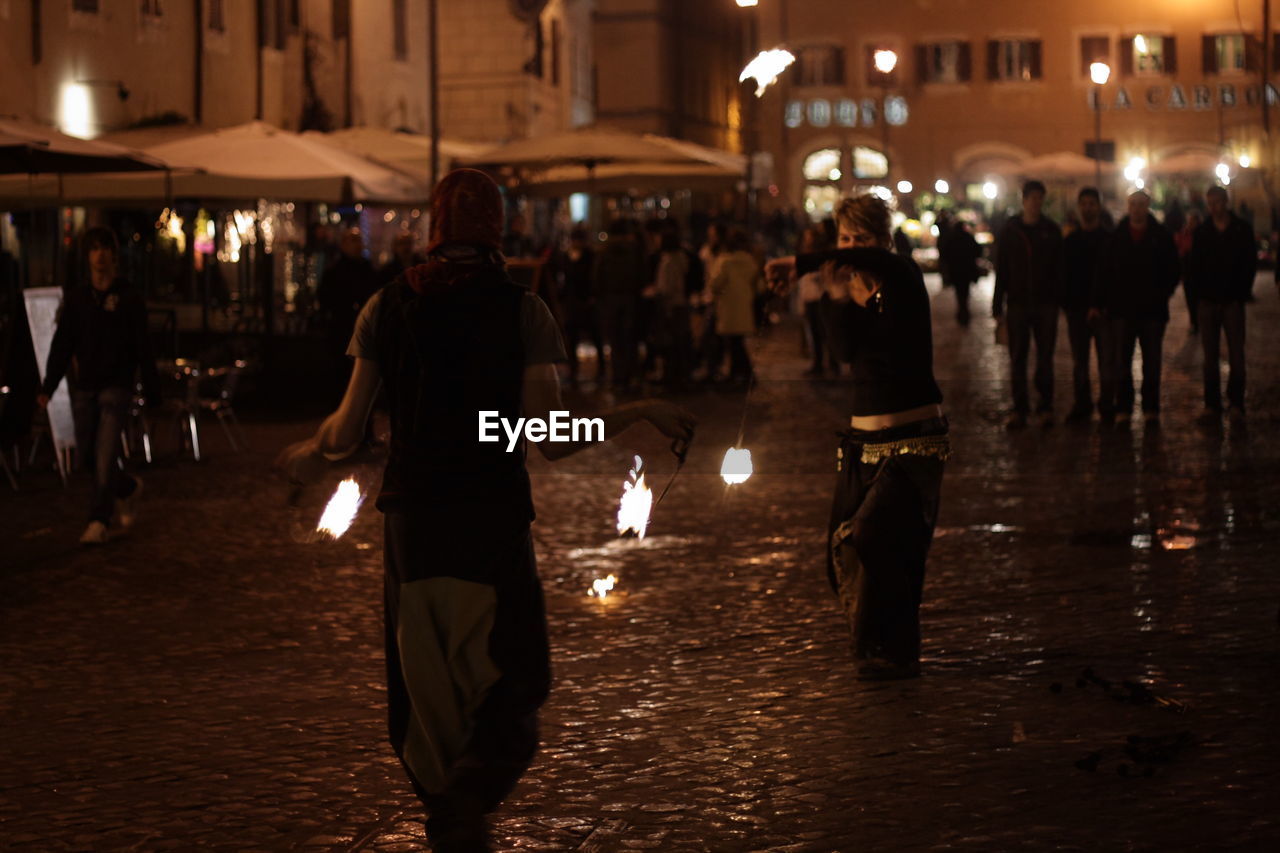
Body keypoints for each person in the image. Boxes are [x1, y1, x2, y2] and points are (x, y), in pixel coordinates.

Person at [276, 169, 695, 853]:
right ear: (498, 231)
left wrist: (313, 451)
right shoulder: (521, 311)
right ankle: (465, 804)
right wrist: (638, 412)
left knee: (426, 700)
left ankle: (451, 812)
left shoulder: (385, 306)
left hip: (412, 530)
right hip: (491, 526)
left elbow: (346, 432)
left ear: (432, 230)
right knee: (510, 681)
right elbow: (548, 437)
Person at [768, 193, 948, 681]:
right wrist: (830, 294)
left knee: (879, 536)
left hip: (915, 441)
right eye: (844, 239)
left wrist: (805, 261)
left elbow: (895, 354)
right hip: (862, 444)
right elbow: (847, 350)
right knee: (845, 550)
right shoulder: (844, 295)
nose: (850, 249)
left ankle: (898, 646)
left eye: (861, 240)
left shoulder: (904, 278)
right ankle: (878, 647)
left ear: (882, 242)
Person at [37, 226, 160, 545]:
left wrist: (151, 389)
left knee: (105, 454)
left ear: (114, 255)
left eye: (105, 247)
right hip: (85, 387)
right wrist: (48, 387)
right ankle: (127, 488)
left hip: (115, 387)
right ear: (87, 256)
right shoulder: (79, 299)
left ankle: (98, 520)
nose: (100, 254)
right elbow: (63, 345)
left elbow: (142, 346)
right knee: (87, 458)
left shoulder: (129, 297)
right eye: (94, 248)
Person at [1091, 191, 1179, 424]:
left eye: (1141, 205)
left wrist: (1161, 294)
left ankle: (1151, 408)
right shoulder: (1116, 237)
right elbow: (1104, 271)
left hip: (1152, 311)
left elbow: (1172, 270)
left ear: (1147, 206)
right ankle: (1124, 407)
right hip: (1122, 311)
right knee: (1122, 361)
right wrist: (1101, 302)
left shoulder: (1160, 236)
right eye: (1134, 205)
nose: (1137, 209)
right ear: (1128, 207)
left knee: (1152, 362)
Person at [993, 180, 1064, 429]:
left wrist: (1058, 298)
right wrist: (997, 306)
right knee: (1018, 358)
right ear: (1023, 200)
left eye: (1039, 198)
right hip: (1018, 304)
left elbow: (1059, 269)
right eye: (1032, 198)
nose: (1036, 203)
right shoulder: (1010, 231)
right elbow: (1001, 270)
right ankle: (1019, 409)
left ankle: (1045, 407)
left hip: (1045, 304)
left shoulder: (1051, 230)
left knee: (1045, 357)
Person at [1188, 185, 1257, 426]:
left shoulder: (1240, 229)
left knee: (1236, 354)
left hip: (1232, 301)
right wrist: (1199, 295)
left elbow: (1250, 261)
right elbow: (1194, 266)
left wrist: (1242, 291)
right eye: (1211, 203)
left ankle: (1236, 403)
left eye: (1218, 202)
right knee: (1210, 356)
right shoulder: (1203, 232)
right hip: (1208, 301)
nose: (1214, 207)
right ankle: (1212, 404)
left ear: (1226, 202)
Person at [1061, 187, 1111, 422]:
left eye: (1092, 203)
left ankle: (1107, 403)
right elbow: (1064, 276)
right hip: (1077, 310)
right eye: (1084, 203)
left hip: (1104, 310)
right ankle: (1082, 403)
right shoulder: (1071, 241)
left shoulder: (1109, 240)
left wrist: (1102, 304)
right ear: (1079, 207)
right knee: (1080, 361)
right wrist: (1069, 304)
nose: (1088, 208)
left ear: (1099, 207)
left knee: (1106, 360)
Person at [317, 228, 379, 394]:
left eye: (359, 240)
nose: (357, 245)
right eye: (353, 240)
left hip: (363, 331)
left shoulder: (368, 270)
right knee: (343, 375)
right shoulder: (334, 272)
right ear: (343, 245)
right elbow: (325, 300)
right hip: (342, 330)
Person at [592, 219, 646, 391]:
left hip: (611, 299)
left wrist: (600, 295)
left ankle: (618, 378)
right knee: (630, 339)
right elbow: (643, 274)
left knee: (615, 340)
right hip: (630, 299)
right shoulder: (635, 251)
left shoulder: (605, 252)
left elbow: (596, 276)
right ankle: (631, 376)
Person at [709, 228, 761, 384]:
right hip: (744, 307)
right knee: (737, 342)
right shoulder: (750, 261)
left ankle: (742, 373)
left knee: (734, 344)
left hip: (728, 309)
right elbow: (760, 287)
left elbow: (715, 284)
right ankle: (739, 373)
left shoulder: (725, 262)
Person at [557, 226, 605, 386]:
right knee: (572, 337)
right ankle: (573, 370)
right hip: (571, 302)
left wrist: (593, 295)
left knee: (595, 335)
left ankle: (602, 370)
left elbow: (595, 277)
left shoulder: (591, 256)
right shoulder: (565, 256)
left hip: (587, 301)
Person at [650, 225, 693, 388]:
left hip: (671, 305)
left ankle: (674, 376)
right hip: (679, 303)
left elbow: (667, 287)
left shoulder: (669, 261)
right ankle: (680, 375)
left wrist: (655, 292)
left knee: (671, 342)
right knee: (678, 341)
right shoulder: (680, 258)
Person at [797, 226, 839, 377]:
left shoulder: (822, 255)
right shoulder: (803, 254)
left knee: (826, 332)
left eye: (810, 237)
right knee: (813, 334)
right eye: (806, 237)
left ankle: (833, 365)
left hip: (821, 298)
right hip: (809, 298)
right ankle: (818, 364)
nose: (807, 240)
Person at [942, 217, 982, 326]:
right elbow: (978, 251)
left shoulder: (951, 238)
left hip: (955, 271)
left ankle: (962, 311)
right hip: (967, 271)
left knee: (959, 293)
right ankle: (964, 311)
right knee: (965, 291)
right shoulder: (968, 237)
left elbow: (944, 254)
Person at [1175, 210, 1203, 335]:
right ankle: (1194, 321)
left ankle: (1198, 321)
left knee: (1198, 299)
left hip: (1198, 272)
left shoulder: (1202, 234)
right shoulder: (1184, 233)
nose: (1191, 223)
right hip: (1187, 270)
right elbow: (1178, 247)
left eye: (1193, 221)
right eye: (1190, 221)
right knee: (1190, 298)